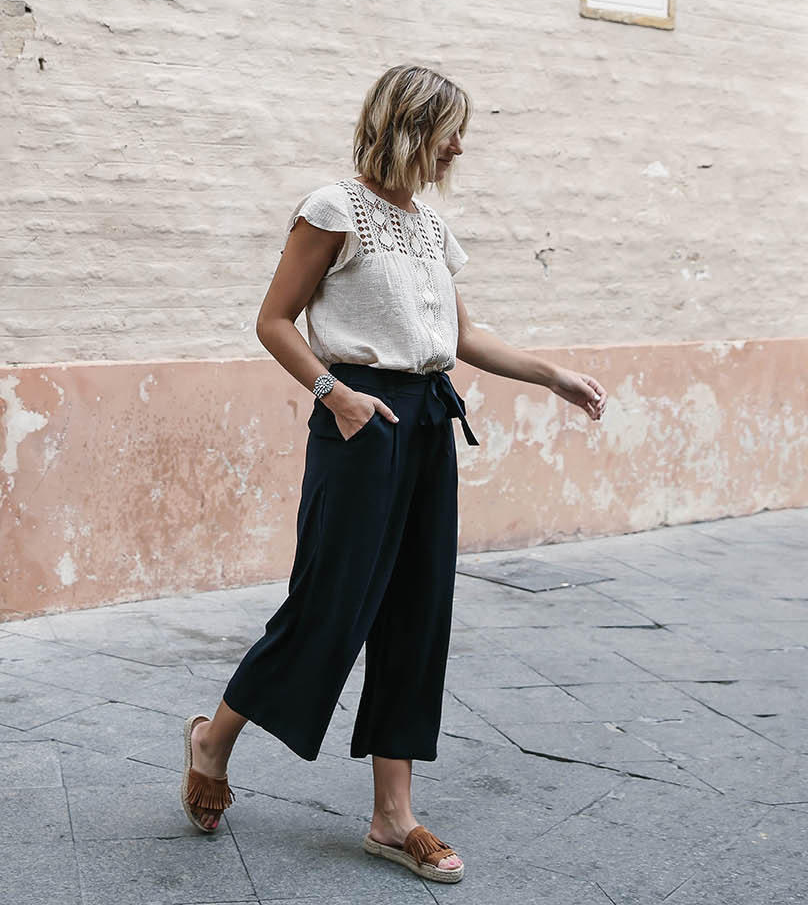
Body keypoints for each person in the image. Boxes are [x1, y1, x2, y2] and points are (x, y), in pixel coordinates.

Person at [179, 64, 607, 885]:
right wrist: (334, 395)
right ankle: (213, 740)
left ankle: (391, 816)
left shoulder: (432, 230)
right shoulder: (334, 210)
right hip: (358, 422)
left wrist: (551, 375)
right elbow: (273, 320)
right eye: (451, 128)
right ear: (413, 125)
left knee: (418, 614)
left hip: (428, 425)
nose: (459, 146)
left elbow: (462, 337)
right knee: (329, 609)